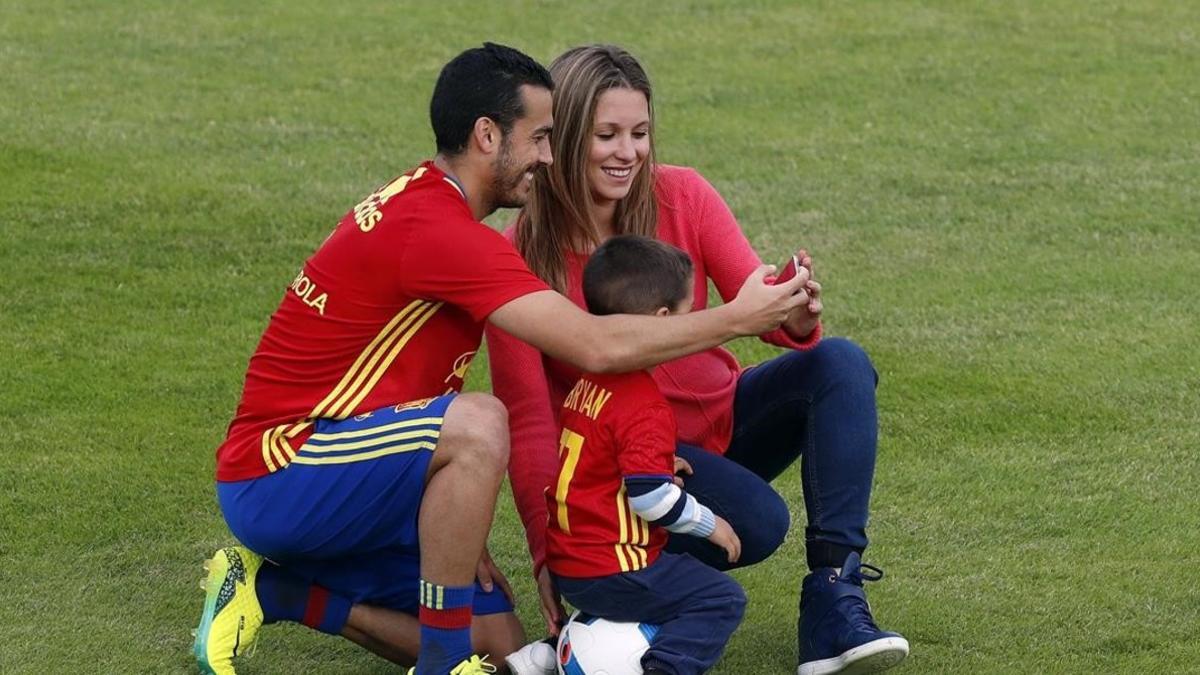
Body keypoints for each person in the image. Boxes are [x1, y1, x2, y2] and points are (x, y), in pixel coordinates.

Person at [193, 43, 810, 675]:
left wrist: (452, 523)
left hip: (360, 457)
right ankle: (439, 668)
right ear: (488, 136)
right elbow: (595, 345)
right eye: (540, 137)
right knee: (481, 423)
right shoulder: (445, 234)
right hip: (279, 469)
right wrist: (739, 318)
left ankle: (274, 591)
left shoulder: (437, 207)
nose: (550, 155)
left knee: (502, 644)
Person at [486, 44, 910, 675]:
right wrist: (549, 552)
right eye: (606, 135)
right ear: (566, 136)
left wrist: (793, 312)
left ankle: (833, 599)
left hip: (721, 423)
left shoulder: (683, 193)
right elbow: (528, 418)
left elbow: (753, 299)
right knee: (759, 523)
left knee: (840, 365)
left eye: (640, 133)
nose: (627, 152)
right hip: (632, 469)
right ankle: (618, 603)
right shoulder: (518, 254)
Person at [548, 235, 747, 675]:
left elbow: (600, 458)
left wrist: (653, 461)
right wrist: (710, 525)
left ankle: (544, 655)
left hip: (569, 563)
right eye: (686, 315)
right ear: (660, 322)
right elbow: (650, 499)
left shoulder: (590, 383)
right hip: (611, 568)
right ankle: (666, 667)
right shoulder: (644, 404)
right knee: (720, 598)